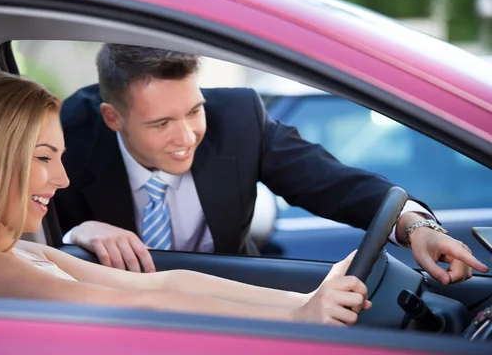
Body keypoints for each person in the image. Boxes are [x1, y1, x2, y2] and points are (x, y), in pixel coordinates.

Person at [0, 70, 372, 326]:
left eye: (61, 157)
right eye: (44, 158)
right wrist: (295, 319)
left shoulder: (22, 252)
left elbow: (162, 282)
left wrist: (308, 299)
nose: (63, 179)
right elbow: (137, 304)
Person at [53, 44, 488, 283]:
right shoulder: (65, 139)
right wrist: (75, 233)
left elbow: (335, 184)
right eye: (162, 122)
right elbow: (8, 235)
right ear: (113, 117)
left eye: (193, 111)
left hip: (236, 310)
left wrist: (415, 226)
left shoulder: (240, 118)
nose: (186, 137)